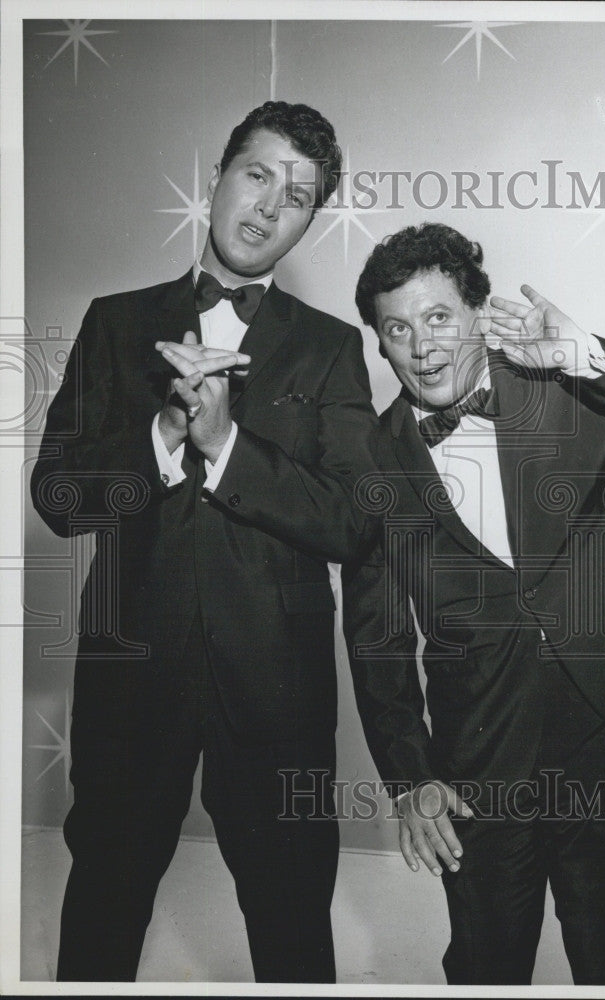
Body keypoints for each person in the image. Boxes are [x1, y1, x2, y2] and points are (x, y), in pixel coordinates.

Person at [30, 100, 378, 983]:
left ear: (311, 221)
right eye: (257, 175)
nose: (268, 206)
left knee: (294, 925)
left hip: (279, 696)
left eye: (296, 197)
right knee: (102, 912)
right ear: (217, 177)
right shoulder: (114, 322)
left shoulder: (333, 348)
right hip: (127, 685)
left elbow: (351, 521)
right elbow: (60, 498)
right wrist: (164, 434)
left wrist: (226, 446)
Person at [342, 222, 605, 985]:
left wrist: (586, 353)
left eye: (439, 317)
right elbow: (377, 641)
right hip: (476, 761)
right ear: (381, 346)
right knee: (487, 962)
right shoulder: (372, 460)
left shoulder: (563, 386)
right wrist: (412, 780)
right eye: (398, 329)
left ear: (479, 315)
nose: (421, 345)